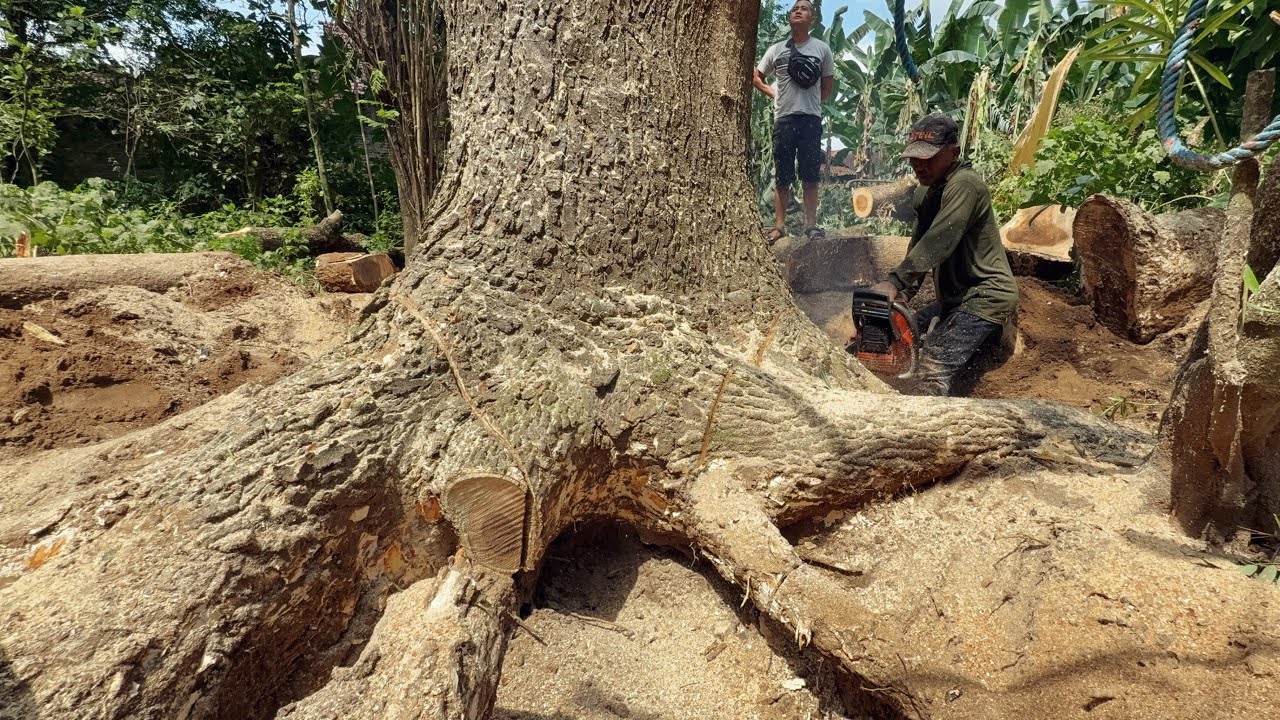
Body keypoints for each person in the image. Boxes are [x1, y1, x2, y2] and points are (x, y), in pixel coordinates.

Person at [869, 113, 1018, 397]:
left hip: (985, 296)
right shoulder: (927, 192)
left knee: (931, 368)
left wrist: (895, 282)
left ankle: (924, 426)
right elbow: (920, 244)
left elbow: (940, 239)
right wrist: (902, 298)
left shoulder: (964, 184)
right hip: (955, 301)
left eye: (928, 158)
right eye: (915, 158)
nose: (919, 166)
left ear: (953, 153)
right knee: (902, 337)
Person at [753, 0, 835, 243]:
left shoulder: (822, 49)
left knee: (810, 174)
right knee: (783, 174)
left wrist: (808, 104)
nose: (798, 10)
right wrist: (776, 94)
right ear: (790, 17)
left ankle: (811, 225)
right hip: (784, 120)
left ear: (813, 19)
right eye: (794, 8)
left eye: (805, 9)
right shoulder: (777, 49)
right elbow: (757, 77)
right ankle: (779, 226)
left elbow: (827, 87)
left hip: (810, 120)